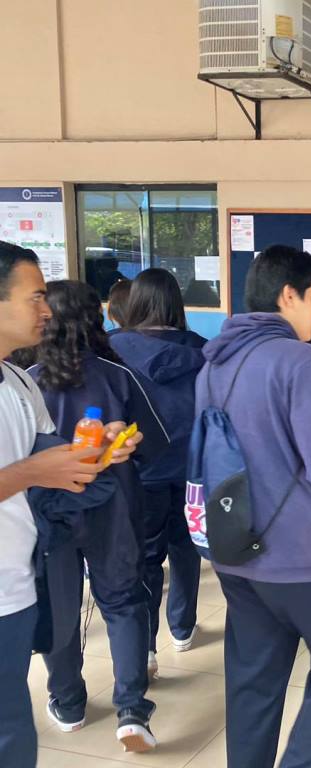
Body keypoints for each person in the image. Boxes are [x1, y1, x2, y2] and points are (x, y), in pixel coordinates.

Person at [195, 245, 311, 768]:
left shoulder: (213, 363)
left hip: (235, 547)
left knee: (254, 678)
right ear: (287, 295)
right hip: (305, 556)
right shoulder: (300, 360)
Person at [0, 242, 141, 767]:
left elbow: (55, 457)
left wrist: (101, 449)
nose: (45, 310)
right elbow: (37, 468)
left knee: (14, 731)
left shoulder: (18, 382)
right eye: (35, 297)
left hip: (16, 584)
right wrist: (36, 471)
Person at [26, 280, 168, 752]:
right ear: (95, 318)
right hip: (113, 507)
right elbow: (153, 442)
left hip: (47, 512)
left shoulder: (26, 379)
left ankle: (68, 703)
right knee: (123, 601)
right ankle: (130, 709)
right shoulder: (116, 373)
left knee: (59, 608)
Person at [109, 268, 207, 676]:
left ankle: (146, 649)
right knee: (187, 550)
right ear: (175, 302)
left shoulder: (113, 350)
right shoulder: (204, 350)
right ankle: (182, 628)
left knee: (145, 559)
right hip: (192, 471)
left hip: (138, 474)